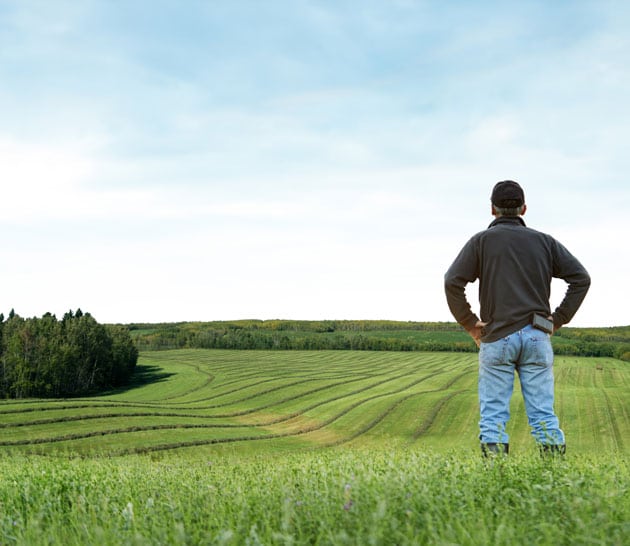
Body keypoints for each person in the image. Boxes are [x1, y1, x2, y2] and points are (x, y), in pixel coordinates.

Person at [444, 180, 590, 456]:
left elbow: (452, 282)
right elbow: (581, 279)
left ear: (492, 210)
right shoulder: (545, 242)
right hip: (537, 335)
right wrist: (557, 320)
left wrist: (470, 324)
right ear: (523, 208)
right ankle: (555, 482)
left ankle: (496, 482)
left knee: (493, 418)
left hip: (496, 336)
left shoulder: (481, 242)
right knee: (543, 415)